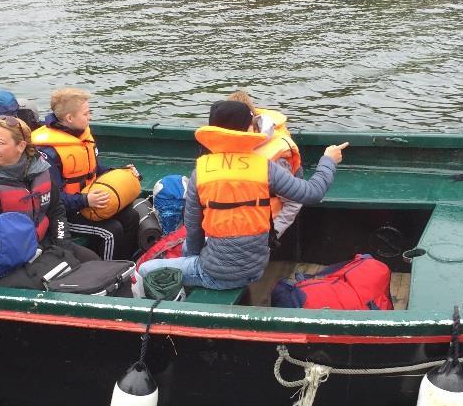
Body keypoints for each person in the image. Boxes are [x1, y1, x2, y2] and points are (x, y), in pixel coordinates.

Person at [137, 100, 348, 290]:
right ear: (248, 129)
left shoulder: (200, 173)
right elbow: (313, 192)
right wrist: (328, 160)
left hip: (216, 275)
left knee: (145, 270)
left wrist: (194, 261)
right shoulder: (264, 166)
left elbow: (193, 231)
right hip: (256, 267)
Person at [0, 115, 98, 263]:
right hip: (5, 256)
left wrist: (63, 246)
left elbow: (56, 211)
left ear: (21, 146)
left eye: (0, 143)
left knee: (92, 260)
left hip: (43, 242)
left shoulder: (41, 169)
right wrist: (39, 255)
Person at [31, 88, 139, 260]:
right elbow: (53, 199)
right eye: (86, 113)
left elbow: (93, 170)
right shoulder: (48, 153)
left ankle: (127, 263)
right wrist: (86, 200)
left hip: (86, 203)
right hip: (66, 214)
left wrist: (119, 170)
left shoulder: (81, 137)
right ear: (70, 118)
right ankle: (110, 273)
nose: (90, 117)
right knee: (111, 231)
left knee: (131, 217)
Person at [228, 89, 303, 237]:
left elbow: (293, 203)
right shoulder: (226, 144)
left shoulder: (277, 158)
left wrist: (272, 236)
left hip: (266, 228)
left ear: (252, 123)